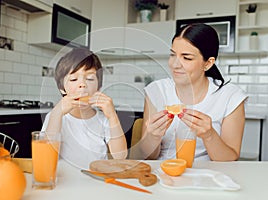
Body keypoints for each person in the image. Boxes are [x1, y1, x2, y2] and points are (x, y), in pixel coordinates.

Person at [140, 23, 248, 161]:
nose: (175, 64)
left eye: (187, 58)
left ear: (208, 63)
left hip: (209, 176)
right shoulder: (157, 91)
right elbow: (146, 156)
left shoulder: (230, 96)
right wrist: (153, 137)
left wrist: (209, 135)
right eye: (173, 55)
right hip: (165, 173)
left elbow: (230, 159)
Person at [42, 48, 127, 168]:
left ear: (99, 87)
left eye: (90, 79)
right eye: (73, 79)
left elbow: (120, 156)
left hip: (96, 177)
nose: (82, 84)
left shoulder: (104, 120)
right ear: (62, 88)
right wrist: (57, 113)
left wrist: (112, 116)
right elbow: (47, 155)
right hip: (65, 179)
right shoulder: (55, 117)